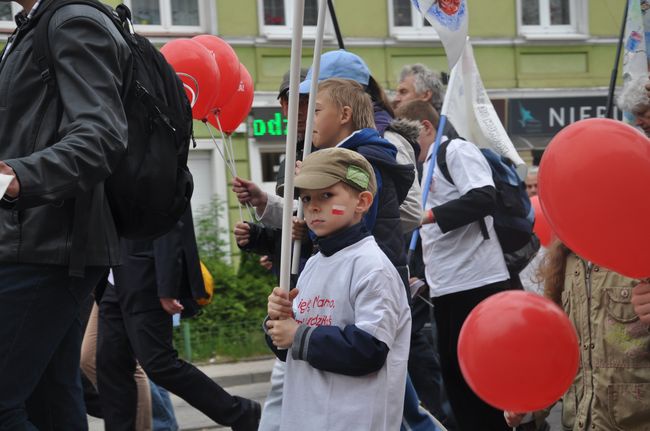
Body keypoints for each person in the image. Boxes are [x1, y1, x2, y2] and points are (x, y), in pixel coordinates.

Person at [0, 1, 132, 428]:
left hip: (47, 244)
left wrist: (19, 177)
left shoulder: (73, 21)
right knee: (49, 402)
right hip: (38, 239)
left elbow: (101, 136)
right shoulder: (34, 26)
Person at [265, 148, 411, 430]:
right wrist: (276, 323)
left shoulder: (373, 267)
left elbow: (369, 349)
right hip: (306, 418)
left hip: (352, 420)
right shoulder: (314, 264)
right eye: (306, 198)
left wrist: (297, 334)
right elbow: (289, 349)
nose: (313, 206)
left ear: (362, 201)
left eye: (326, 195)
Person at [96, 207, 261, 431]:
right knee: (110, 364)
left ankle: (240, 413)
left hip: (145, 277)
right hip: (112, 278)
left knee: (159, 364)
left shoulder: (156, 170)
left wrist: (168, 287)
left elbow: (168, 220)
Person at [419, 130, 512, 430]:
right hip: (445, 286)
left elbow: (484, 197)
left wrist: (431, 215)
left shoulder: (455, 150)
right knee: (456, 382)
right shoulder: (422, 164)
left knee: (484, 382)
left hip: (477, 282)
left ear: (426, 126)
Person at [505, 241, 650, 430]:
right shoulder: (568, 259)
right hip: (578, 422)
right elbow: (558, 349)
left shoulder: (641, 252)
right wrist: (530, 403)